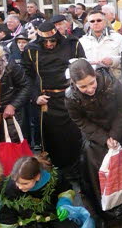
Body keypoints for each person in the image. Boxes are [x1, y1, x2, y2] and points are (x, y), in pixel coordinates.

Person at [65, 59, 122, 228]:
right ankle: (102, 218)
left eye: (91, 83)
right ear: (74, 84)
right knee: (96, 179)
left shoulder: (112, 84)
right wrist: (104, 138)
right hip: (94, 139)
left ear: (95, 75)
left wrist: (115, 135)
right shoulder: (71, 97)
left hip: (119, 130)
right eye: (83, 86)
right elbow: (80, 121)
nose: (89, 89)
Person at [0, 155, 90, 228]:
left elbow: (65, 191)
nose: (19, 187)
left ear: (37, 177)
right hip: (27, 216)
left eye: (25, 183)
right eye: (17, 182)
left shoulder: (55, 178)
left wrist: (63, 206)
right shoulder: (11, 188)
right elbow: (7, 216)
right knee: (19, 215)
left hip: (51, 212)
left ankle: (48, 225)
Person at [21, 21, 85, 180]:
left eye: (52, 41)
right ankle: (54, 174)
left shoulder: (72, 45)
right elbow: (26, 76)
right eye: (45, 42)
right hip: (47, 100)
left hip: (70, 96)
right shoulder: (31, 50)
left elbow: (82, 68)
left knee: (74, 136)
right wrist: (35, 96)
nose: (49, 44)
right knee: (51, 139)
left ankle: (77, 171)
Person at [78, 9, 122, 81]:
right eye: (92, 21)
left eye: (99, 20)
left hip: (114, 80)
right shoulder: (82, 41)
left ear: (105, 21)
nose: (95, 23)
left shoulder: (118, 38)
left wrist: (112, 61)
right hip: (91, 80)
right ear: (89, 23)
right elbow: (78, 61)